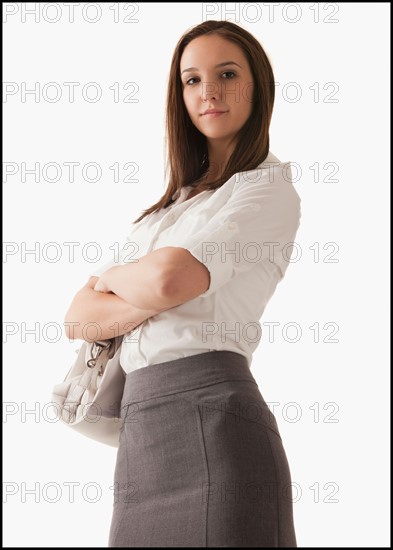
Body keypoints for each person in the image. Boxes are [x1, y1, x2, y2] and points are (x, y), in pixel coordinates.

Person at [64, 20, 301, 548]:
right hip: (142, 433)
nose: (209, 91)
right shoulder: (162, 213)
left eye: (227, 73)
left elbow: (170, 279)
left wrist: (116, 283)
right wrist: (137, 285)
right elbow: (79, 317)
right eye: (192, 80)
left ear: (258, 85)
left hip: (219, 421)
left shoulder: (267, 187)